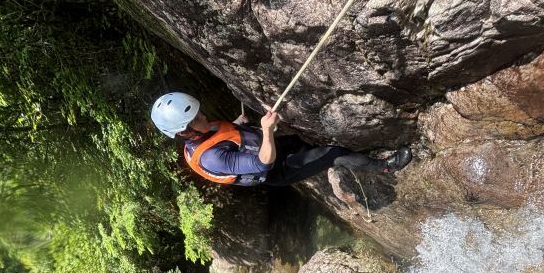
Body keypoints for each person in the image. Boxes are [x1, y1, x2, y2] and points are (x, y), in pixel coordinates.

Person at [150, 92, 412, 186]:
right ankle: (386, 167)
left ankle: (332, 160)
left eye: (198, 112)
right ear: (184, 132)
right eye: (195, 119)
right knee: (331, 153)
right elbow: (263, 163)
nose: (203, 117)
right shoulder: (212, 157)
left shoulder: (204, 128)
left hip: (268, 151)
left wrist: (239, 124)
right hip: (275, 170)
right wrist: (265, 130)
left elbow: (227, 132)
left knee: (305, 145)